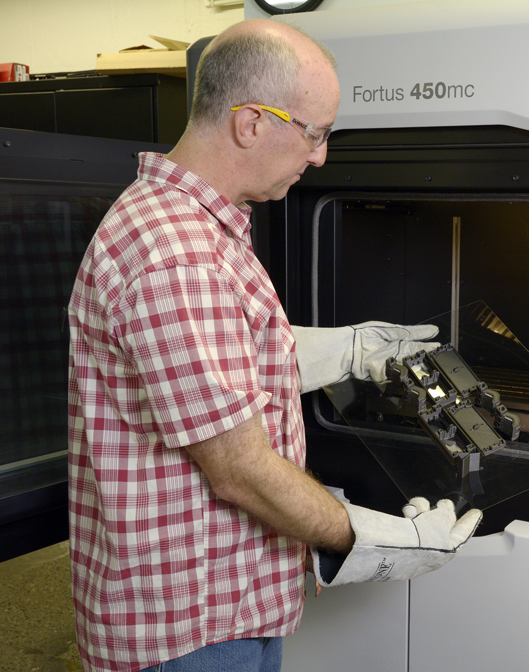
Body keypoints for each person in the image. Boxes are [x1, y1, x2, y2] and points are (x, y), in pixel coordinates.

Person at [67, 19, 481, 672]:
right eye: (314, 133)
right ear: (252, 123)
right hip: (188, 633)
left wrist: (351, 350)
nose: (320, 156)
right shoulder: (177, 253)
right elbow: (239, 470)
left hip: (228, 609)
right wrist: (382, 539)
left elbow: (215, 367)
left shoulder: (199, 230)